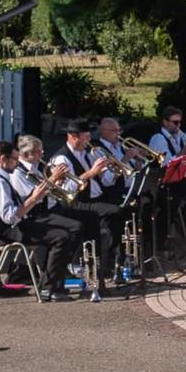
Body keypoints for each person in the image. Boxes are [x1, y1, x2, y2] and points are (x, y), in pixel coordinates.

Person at [0, 141, 81, 302]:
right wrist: (34, 198)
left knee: (65, 230)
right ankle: (49, 288)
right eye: (14, 159)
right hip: (8, 231)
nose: (17, 163)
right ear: (3, 159)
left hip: (17, 225)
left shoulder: (2, 178)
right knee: (61, 237)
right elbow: (9, 217)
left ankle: (51, 284)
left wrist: (37, 196)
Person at [50, 119, 127, 286]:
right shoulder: (62, 158)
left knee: (120, 211)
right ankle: (102, 262)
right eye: (85, 137)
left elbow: (106, 182)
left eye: (88, 136)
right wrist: (91, 172)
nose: (88, 141)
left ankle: (112, 261)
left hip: (95, 199)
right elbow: (68, 188)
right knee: (114, 213)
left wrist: (115, 169)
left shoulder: (88, 154)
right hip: (76, 202)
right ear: (72, 137)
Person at [149, 106, 186, 241]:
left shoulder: (180, 136)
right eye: (175, 122)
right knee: (180, 200)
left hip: (181, 179)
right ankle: (182, 225)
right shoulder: (158, 139)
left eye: (180, 122)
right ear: (165, 122)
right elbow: (169, 163)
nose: (178, 126)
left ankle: (185, 218)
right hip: (166, 183)